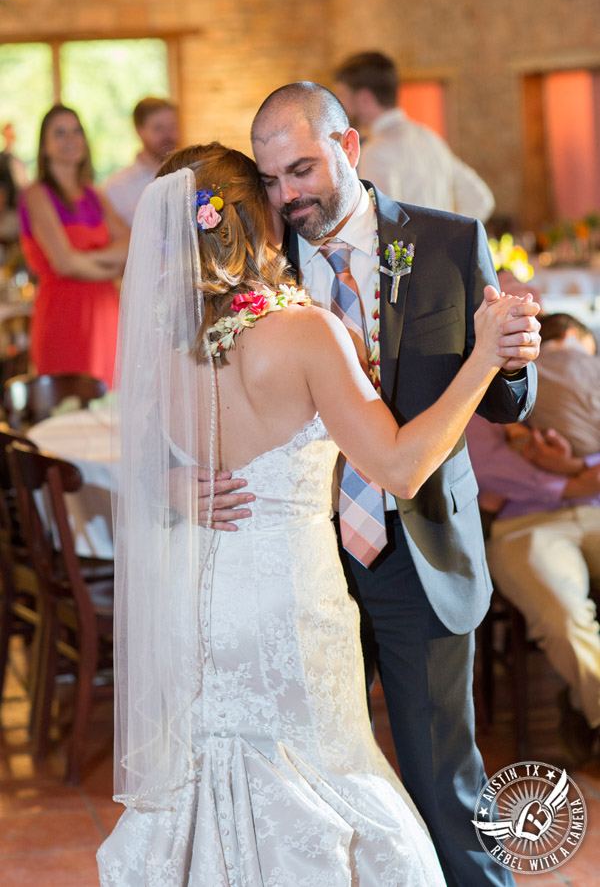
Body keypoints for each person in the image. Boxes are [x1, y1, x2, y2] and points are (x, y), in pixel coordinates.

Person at [96, 143, 529, 885]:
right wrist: (484, 357)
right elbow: (397, 465)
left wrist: (173, 489)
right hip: (288, 605)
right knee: (332, 777)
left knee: (222, 786)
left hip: (202, 602)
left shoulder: (164, 351)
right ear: (258, 219)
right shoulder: (303, 332)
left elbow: (138, 462)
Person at [247, 82, 540, 887]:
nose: (288, 196)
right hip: (305, 556)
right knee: (315, 786)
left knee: (445, 781)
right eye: (270, 181)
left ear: (348, 147)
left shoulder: (448, 242)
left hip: (421, 550)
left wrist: (514, 353)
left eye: (301, 170)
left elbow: (506, 400)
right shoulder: (258, 260)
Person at [467, 413, 600, 762]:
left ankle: (582, 700)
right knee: (565, 620)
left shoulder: (582, 372)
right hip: (524, 522)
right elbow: (483, 465)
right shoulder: (480, 383)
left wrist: (573, 464)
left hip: (595, 509)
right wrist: (572, 483)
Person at [19, 105, 128, 385]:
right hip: (63, 316)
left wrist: (85, 259)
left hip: (106, 313)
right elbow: (64, 263)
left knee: (109, 406)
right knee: (67, 407)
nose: (71, 139)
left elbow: (130, 243)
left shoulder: (93, 193)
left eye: (76, 131)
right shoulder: (36, 195)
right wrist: (112, 268)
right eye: (60, 133)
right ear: (44, 147)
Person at [333, 51, 495, 222]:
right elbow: (481, 200)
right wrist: (448, 239)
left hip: (407, 249)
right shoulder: (431, 138)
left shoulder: (376, 151)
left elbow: (383, 224)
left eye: (343, 94)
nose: (341, 105)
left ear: (365, 99)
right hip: (435, 248)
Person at [528, 312, 600, 457]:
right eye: (589, 350)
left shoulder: (526, 373)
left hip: (558, 458)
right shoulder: (593, 365)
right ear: (571, 335)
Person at [102, 96, 179, 225]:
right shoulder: (115, 188)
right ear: (139, 131)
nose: (168, 135)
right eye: (158, 128)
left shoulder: (188, 177)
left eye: (172, 127)